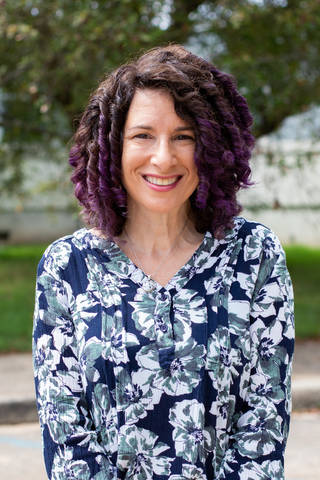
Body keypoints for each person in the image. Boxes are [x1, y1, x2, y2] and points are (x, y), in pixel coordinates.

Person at [33, 45, 294, 480]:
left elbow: (262, 431)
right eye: (142, 135)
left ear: (212, 146)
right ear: (111, 146)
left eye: (184, 136)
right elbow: (68, 442)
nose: (163, 157)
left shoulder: (255, 256)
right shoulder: (67, 267)